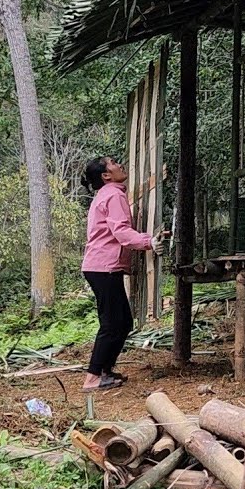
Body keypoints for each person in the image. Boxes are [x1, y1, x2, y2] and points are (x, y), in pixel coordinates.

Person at [79, 156, 163, 391]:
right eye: (114, 163)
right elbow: (121, 231)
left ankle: (105, 371)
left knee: (123, 322)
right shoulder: (114, 195)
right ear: (106, 175)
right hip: (103, 267)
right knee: (111, 324)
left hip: (101, 267)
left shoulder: (106, 195)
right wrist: (149, 242)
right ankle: (93, 378)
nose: (120, 165)